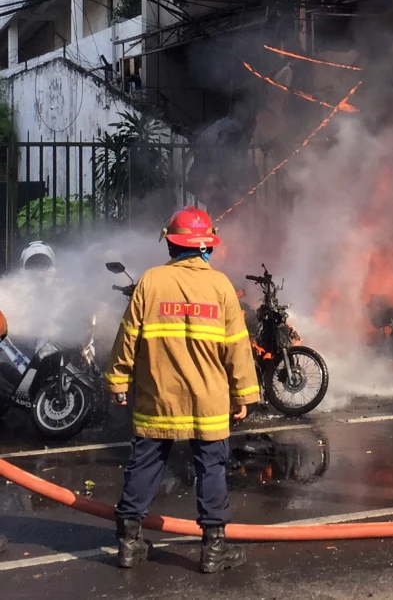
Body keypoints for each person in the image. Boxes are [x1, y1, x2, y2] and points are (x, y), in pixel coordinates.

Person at [105, 206, 260, 573]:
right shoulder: (221, 285)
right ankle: (213, 550)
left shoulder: (150, 281)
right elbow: (237, 346)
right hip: (208, 398)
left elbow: (127, 336)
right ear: (207, 247)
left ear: (171, 246)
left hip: (158, 395)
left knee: (144, 464)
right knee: (212, 468)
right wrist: (245, 394)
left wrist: (118, 380)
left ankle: (128, 544)